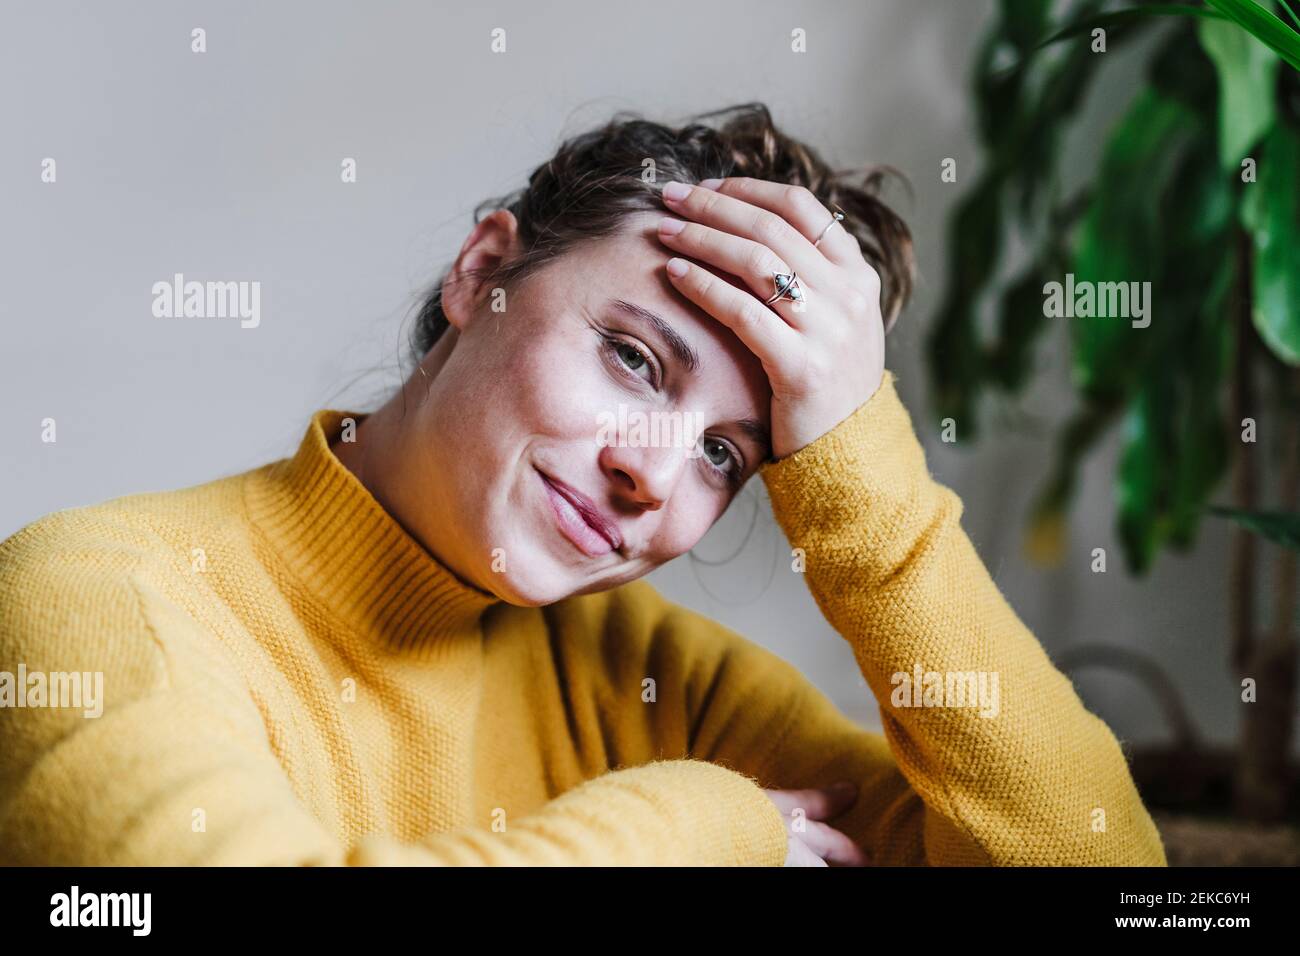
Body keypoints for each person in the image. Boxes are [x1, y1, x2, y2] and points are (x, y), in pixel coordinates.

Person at [0, 103, 1166, 866]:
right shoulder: (94, 597)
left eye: (728, 454)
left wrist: (861, 472)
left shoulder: (659, 683)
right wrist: (712, 831)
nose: (647, 471)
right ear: (483, 272)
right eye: (631, 358)